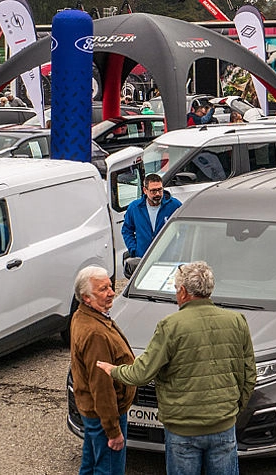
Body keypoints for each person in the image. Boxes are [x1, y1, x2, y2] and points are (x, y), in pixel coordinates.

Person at [97, 261, 256, 475]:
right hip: (223, 425)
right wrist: (234, 408)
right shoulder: (237, 321)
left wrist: (113, 370)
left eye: (175, 289)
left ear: (183, 291)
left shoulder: (171, 326)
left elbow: (142, 373)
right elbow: (249, 374)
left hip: (183, 429)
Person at [71, 265, 135, 475]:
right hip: (105, 413)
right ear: (86, 298)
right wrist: (113, 430)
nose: (111, 293)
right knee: (108, 469)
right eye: (103, 289)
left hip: (93, 412)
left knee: (90, 466)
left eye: (110, 285)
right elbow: (102, 386)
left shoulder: (84, 316)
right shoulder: (95, 333)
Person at [121, 174, 181, 258]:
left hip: (168, 258)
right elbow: (127, 230)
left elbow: (184, 229)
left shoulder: (174, 205)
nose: (157, 194)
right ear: (145, 190)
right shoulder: (135, 208)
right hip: (143, 258)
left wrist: (178, 250)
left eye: (160, 190)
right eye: (153, 191)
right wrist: (134, 250)